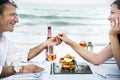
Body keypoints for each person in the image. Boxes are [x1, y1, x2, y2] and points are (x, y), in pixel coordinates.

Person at [0, 0, 61, 78]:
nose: (16, 20)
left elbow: (22, 55)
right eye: (12, 15)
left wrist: (45, 44)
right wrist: (22, 69)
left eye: (16, 15)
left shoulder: (3, 40)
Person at [58, 0, 120, 70]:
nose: (109, 18)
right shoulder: (117, 37)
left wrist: (113, 36)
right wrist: (68, 41)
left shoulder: (114, 36)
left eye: (112, 13)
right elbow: (96, 59)